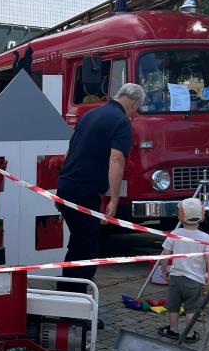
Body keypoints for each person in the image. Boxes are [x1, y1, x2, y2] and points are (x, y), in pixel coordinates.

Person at [56, 83, 145, 290]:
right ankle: (75, 300)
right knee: (87, 248)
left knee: (78, 243)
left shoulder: (90, 115)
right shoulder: (121, 122)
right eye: (136, 108)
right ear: (135, 103)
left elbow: (71, 151)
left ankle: (67, 293)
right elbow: (116, 159)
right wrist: (114, 198)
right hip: (85, 191)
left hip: (67, 185)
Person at [158, 197, 209, 342]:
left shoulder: (174, 234)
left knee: (173, 307)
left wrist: (164, 270)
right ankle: (189, 334)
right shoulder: (206, 237)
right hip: (195, 280)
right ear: (202, 216)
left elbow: (165, 255)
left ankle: (173, 329)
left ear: (180, 216)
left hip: (176, 277)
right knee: (191, 308)